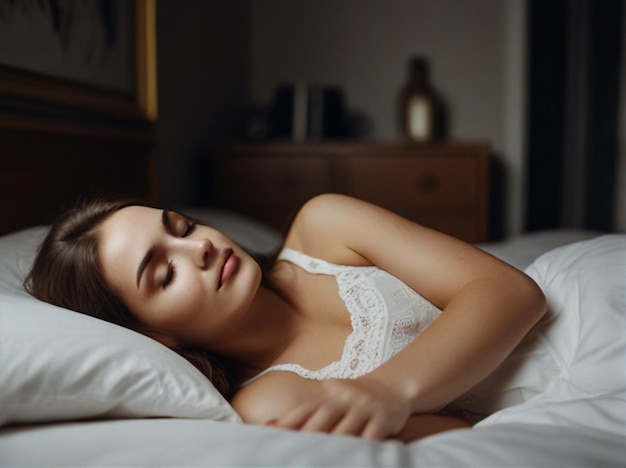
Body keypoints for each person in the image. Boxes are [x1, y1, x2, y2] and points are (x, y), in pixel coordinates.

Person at [25, 193, 547, 442]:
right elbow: (458, 430)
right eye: (164, 274)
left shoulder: (325, 227)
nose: (200, 248)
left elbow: (511, 290)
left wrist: (391, 390)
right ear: (155, 337)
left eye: (181, 228)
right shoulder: (268, 401)